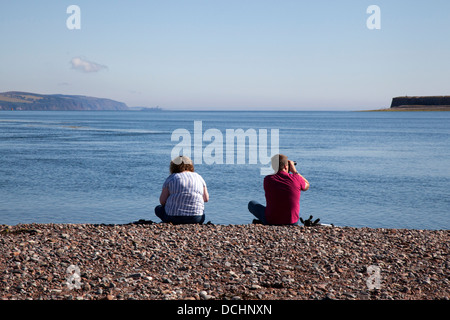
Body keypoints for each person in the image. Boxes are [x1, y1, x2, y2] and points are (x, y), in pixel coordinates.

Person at [248, 154, 309, 225]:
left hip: (271, 220)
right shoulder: (296, 178)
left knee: (251, 204)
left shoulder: (267, 179)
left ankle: (263, 222)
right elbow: (307, 185)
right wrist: (295, 171)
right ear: (286, 166)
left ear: (273, 167)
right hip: (292, 222)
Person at [155, 155, 209, 224]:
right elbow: (206, 199)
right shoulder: (199, 177)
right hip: (197, 218)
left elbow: (162, 201)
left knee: (158, 209)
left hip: (174, 218)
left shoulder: (171, 178)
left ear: (173, 167)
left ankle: (169, 221)